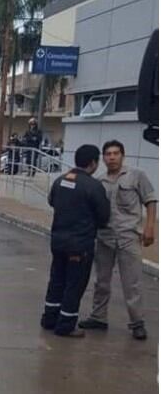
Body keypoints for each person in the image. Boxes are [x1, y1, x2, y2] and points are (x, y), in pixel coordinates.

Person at [79, 140, 157, 340]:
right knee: (101, 281)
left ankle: (137, 323)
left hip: (128, 237)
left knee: (132, 283)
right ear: (102, 158)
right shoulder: (99, 181)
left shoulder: (136, 176)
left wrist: (150, 227)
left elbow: (150, 200)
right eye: (108, 154)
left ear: (123, 155)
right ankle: (98, 317)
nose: (112, 157)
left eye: (115, 153)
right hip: (105, 237)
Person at [41, 144, 110, 337]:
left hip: (58, 240)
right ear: (93, 163)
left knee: (57, 280)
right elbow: (104, 215)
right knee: (74, 284)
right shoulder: (94, 186)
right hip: (80, 244)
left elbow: (52, 201)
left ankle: (49, 318)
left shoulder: (61, 180)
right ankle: (66, 324)